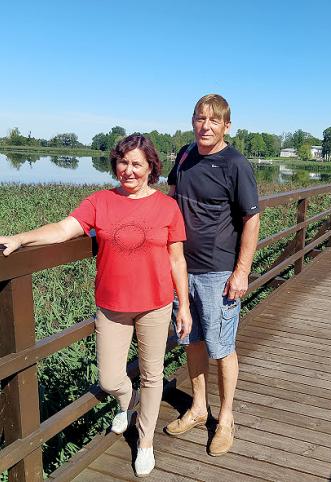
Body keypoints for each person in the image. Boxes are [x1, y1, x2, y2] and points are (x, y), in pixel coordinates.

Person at [0, 134, 192, 478]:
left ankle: (145, 441)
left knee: (152, 376)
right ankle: (126, 401)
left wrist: (185, 306)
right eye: (123, 162)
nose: (128, 170)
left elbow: (177, 260)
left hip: (156, 304)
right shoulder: (100, 201)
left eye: (137, 164)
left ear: (151, 168)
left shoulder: (167, 207)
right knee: (109, 378)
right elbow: (64, 229)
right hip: (112, 304)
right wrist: (21, 238)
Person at [165, 94, 260, 456]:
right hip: (182, 268)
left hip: (218, 273)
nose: (205, 126)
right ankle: (199, 408)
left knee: (222, 348)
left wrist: (241, 271)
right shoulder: (185, 155)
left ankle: (226, 418)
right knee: (192, 341)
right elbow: (170, 199)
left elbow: (251, 218)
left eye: (213, 120)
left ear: (226, 126)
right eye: (200, 118)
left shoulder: (236, 164)